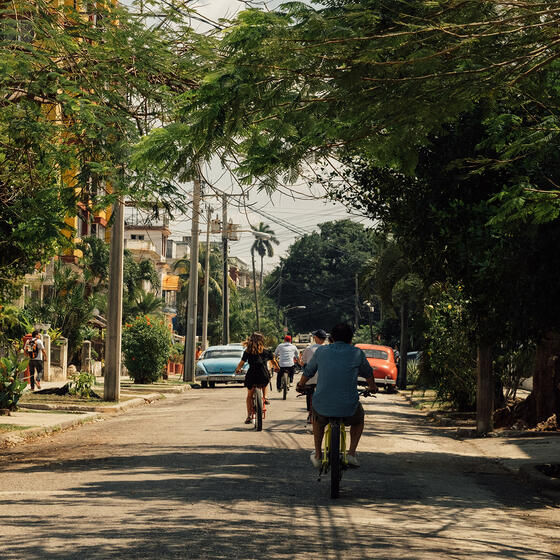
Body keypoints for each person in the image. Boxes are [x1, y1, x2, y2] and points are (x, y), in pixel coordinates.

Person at [297, 323, 377, 468]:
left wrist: (300, 385)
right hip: (349, 408)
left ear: (331, 338)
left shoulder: (321, 352)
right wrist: (372, 387)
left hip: (322, 405)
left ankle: (318, 455)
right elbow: (368, 374)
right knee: (359, 419)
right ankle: (351, 454)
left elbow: (308, 371)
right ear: (350, 339)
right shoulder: (357, 353)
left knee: (317, 419)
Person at [235, 332, 275, 424]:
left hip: (252, 375)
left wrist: (237, 370)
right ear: (262, 341)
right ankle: (265, 398)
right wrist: (277, 367)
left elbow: (241, 363)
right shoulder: (267, 351)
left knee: (249, 395)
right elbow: (273, 361)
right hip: (263, 375)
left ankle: (249, 416)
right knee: (266, 381)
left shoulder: (248, 351)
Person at [300, 329, 328, 423]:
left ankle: (310, 413)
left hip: (311, 378)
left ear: (316, 338)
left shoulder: (309, 349)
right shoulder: (328, 349)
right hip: (325, 379)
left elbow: (303, 362)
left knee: (309, 392)